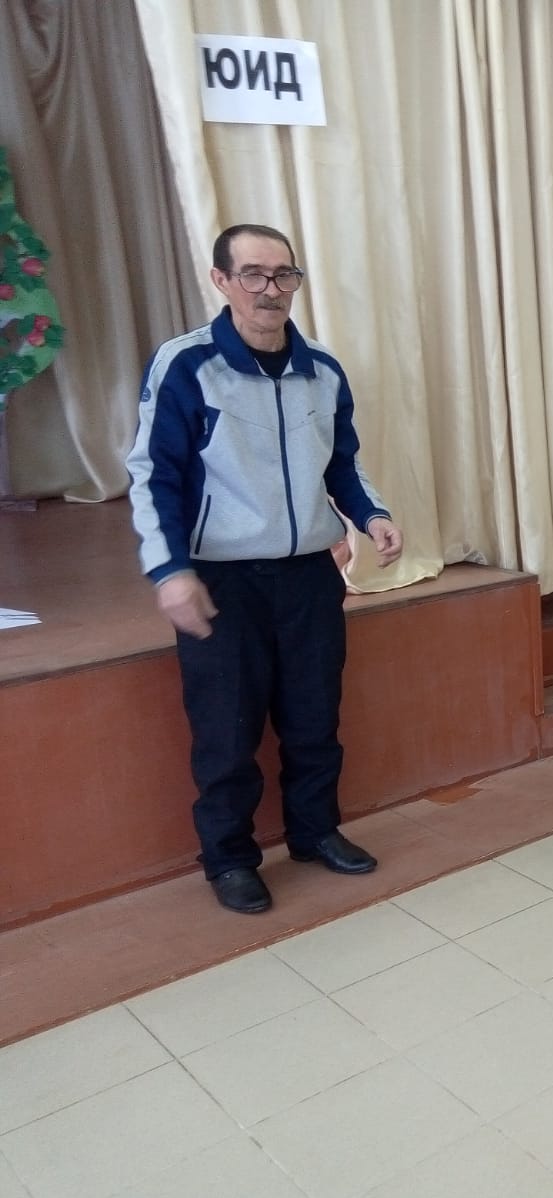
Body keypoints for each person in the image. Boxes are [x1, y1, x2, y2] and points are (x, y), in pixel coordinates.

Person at [126, 224, 402, 915]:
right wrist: (170, 571)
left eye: (283, 275)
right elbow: (154, 475)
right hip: (223, 580)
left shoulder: (322, 371)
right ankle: (228, 858)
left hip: (308, 574)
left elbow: (341, 462)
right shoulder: (186, 366)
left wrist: (370, 514)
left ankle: (314, 832)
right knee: (227, 728)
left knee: (314, 716)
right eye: (252, 273)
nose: (269, 289)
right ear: (221, 280)